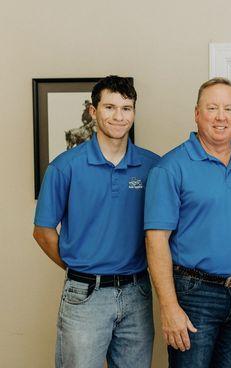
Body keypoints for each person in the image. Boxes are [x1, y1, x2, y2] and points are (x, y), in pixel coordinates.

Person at [33, 75, 159, 368]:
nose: (118, 116)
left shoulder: (153, 166)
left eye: (126, 108)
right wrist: (80, 267)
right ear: (93, 111)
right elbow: (42, 232)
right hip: (84, 295)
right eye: (110, 107)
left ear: (134, 113)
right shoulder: (65, 167)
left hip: (137, 292)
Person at [144, 77, 231, 368]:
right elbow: (156, 240)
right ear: (197, 114)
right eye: (212, 108)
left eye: (229, 109)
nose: (221, 117)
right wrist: (169, 306)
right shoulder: (171, 167)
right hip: (193, 294)